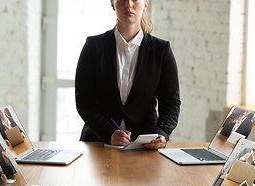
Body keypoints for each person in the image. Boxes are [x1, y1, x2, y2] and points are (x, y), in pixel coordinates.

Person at [75, 0, 180, 149]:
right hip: (98, 143)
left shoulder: (162, 50)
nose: (128, 4)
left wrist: (162, 134)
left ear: (145, 3)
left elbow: (171, 103)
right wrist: (108, 133)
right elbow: (84, 101)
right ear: (112, 3)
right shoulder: (93, 47)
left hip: (145, 146)